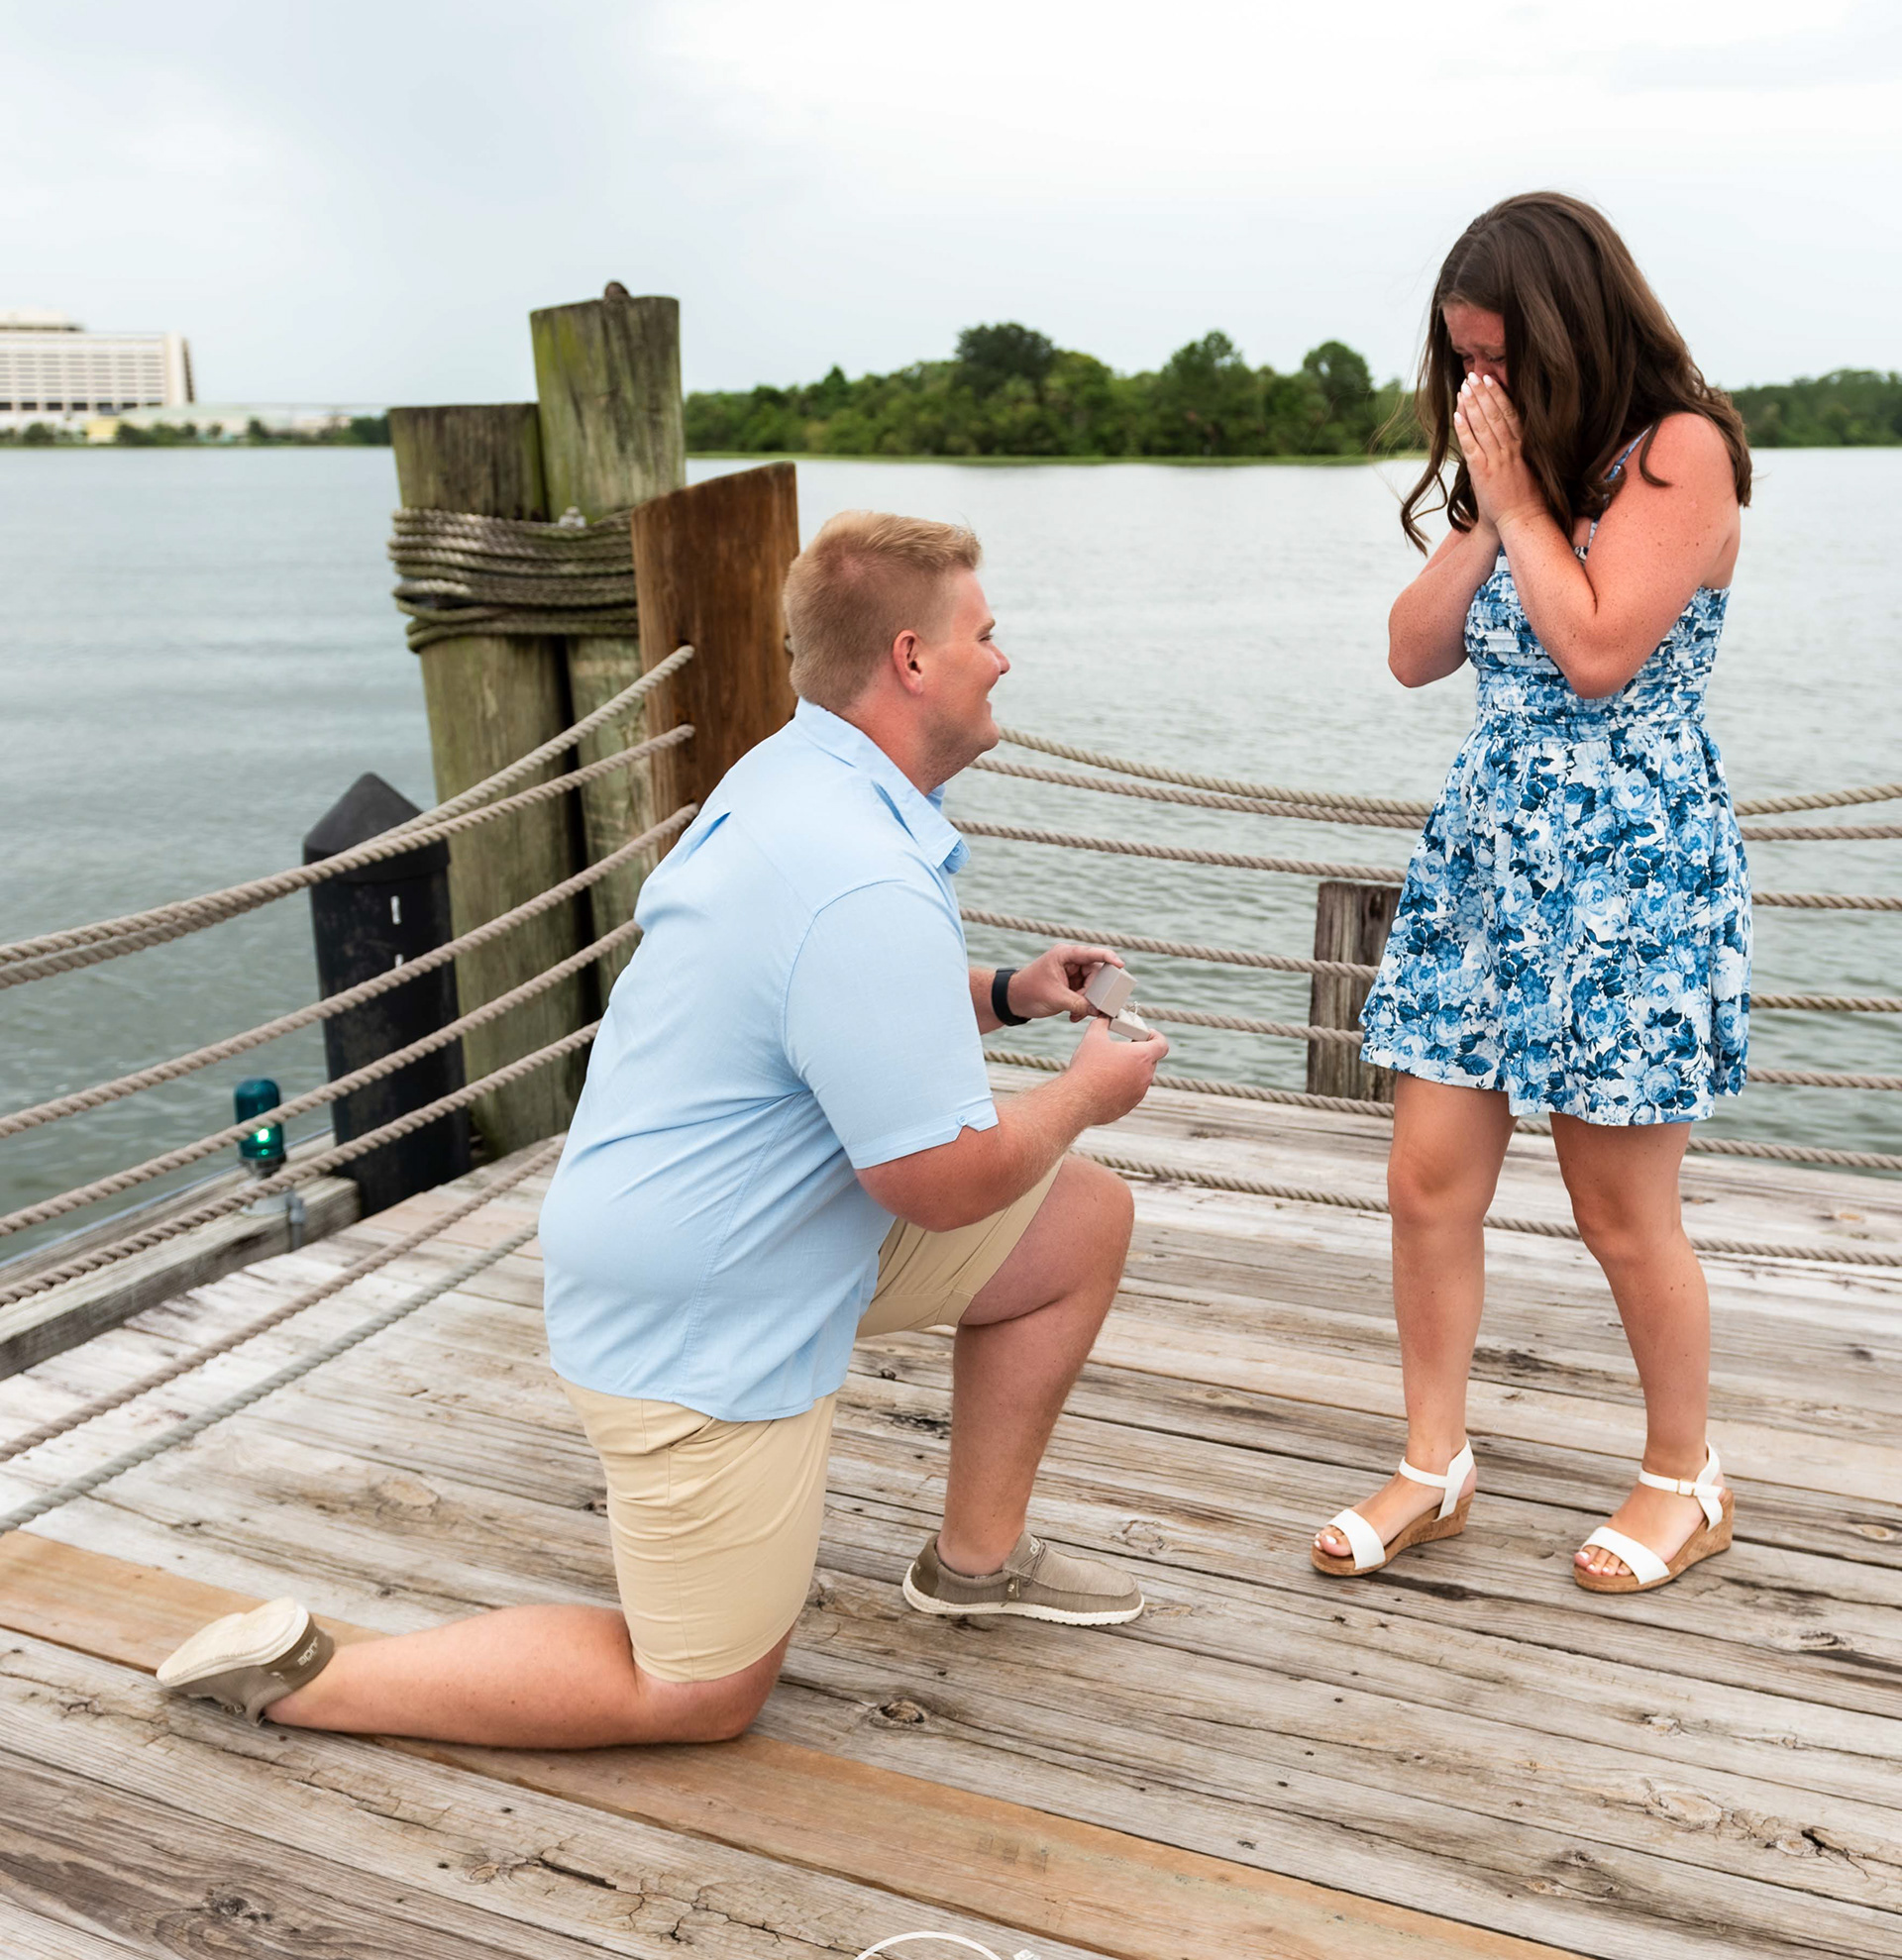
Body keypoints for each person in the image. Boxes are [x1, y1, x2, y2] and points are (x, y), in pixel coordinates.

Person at [157, 510, 1170, 1740]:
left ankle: (974, 1564)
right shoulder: (858, 869)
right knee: (696, 1691)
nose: (1002, 658)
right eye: (985, 633)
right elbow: (941, 1180)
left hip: (755, 1228)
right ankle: (304, 1677)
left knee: (1077, 1221)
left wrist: (1008, 994)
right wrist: (1086, 1091)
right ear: (912, 657)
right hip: (703, 1300)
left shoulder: (796, 774)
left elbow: (837, 1003)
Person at [1314, 193, 1751, 1596]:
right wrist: (1498, 493)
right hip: (1487, 859)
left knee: (1620, 1207)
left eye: (1499, 356)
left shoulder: (1679, 452)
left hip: (1628, 864)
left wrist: (1516, 501)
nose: (1480, 383)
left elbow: (1599, 651)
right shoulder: (1527, 474)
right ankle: (1434, 1459)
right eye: (1465, 360)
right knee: (1426, 1177)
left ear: (1572, 329)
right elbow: (1411, 651)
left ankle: (1685, 1477)